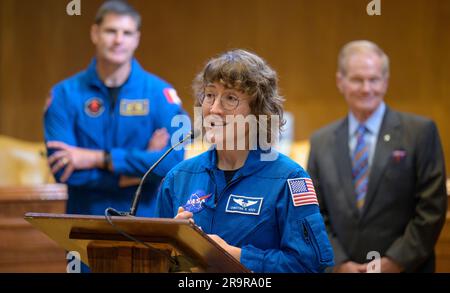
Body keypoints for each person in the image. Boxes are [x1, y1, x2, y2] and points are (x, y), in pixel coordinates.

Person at [155, 49, 334, 273]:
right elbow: (157, 260)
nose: (214, 109)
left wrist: (237, 257)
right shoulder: (179, 177)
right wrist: (177, 245)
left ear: (258, 112)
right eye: (209, 95)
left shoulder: (290, 179)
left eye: (230, 98)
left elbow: (309, 266)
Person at [307, 40, 447, 273]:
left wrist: (394, 263)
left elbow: (432, 208)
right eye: (357, 79)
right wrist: (339, 264)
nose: (366, 88)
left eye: (374, 79)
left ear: (386, 81)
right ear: (340, 81)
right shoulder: (321, 141)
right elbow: (314, 211)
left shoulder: (420, 133)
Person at [44, 0, 189, 217]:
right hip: (85, 225)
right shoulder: (64, 95)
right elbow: (63, 171)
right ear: (95, 33)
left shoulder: (161, 94)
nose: (118, 40)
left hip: (146, 226)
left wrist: (98, 159)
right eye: (111, 31)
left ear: (137, 39)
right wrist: (138, 173)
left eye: (127, 33)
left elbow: (173, 163)